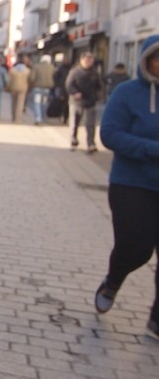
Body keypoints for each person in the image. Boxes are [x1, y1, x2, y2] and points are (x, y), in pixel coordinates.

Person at [95, 34, 159, 340]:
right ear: (146, 60)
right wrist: (151, 149)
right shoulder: (127, 93)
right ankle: (113, 280)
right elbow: (109, 134)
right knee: (136, 248)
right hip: (131, 185)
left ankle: (156, 319)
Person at [66, 51, 104, 152]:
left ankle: (91, 144)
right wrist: (74, 93)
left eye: (90, 60)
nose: (88, 62)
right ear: (81, 60)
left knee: (90, 124)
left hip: (90, 101)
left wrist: (98, 96)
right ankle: (73, 140)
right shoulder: (74, 71)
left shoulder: (95, 73)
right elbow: (69, 85)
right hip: (76, 102)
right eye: (86, 60)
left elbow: (99, 86)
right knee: (74, 123)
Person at [28, 54, 56, 125]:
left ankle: (38, 118)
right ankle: (43, 116)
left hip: (37, 87)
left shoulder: (36, 67)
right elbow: (55, 77)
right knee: (44, 103)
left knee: (37, 103)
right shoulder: (52, 67)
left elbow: (32, 78)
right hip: (47, 88)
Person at [7, 57, 31, 123]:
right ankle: (18, 118)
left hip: (13, 88)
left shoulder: (12, 70)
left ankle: (13, 117)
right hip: (23, 88)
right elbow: (29, 80)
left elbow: (9, 80)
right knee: (20, 103)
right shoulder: (27, 71)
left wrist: (8, 87)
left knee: (13, 103)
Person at [53, 56, 72, 124]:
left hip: (69, 89)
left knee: (67, 105)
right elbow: (56, 77)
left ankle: (65, 117)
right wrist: (57, 86)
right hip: (62, 88)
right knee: (62, 104)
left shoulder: (71, 69)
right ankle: (61, 116)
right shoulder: (60, 69)